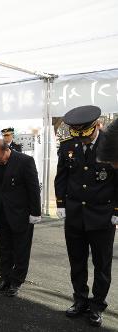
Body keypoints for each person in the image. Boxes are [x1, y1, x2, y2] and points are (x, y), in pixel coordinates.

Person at [54, 105, 117, 327]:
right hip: (75, 214)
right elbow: (61, 177)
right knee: (77, 261)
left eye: (86, 134)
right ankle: (80, 300)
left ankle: (97, 305)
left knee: (102, 265)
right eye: (78, 134)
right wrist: (60, 203)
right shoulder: (68, 145)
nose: (83, 140)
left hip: (102, 214)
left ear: (96, 125)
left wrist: (117, 210)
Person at [0, 137, 41, 297]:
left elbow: (33, 188)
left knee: (21, 249)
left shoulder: (24, 161)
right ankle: (4, 278)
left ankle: (16, 281)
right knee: (5, 248)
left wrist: (35, 212)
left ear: (6, 150)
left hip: (21, 213)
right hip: (1, 213)